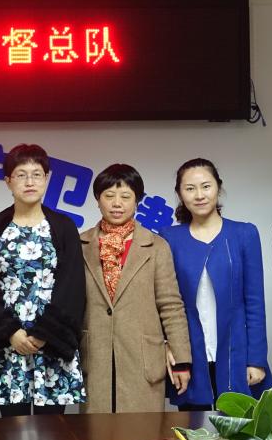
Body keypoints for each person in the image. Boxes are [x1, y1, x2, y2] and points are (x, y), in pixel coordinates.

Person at [0, 144, 86, 416]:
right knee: (12, 432)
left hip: (51, 345)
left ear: (47, 179)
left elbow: (72, 287)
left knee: (54, 433)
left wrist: (44, 334)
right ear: (8, 181)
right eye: (21, 175)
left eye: (37, 174)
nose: (29, 182)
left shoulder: (63, 227)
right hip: (9, 345)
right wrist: (10, 332)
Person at [160, 158, 272, 411]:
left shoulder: (244, 234)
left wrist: (256, 359)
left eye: (206, 186)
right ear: (180, 194)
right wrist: (170, 348)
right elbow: (164, 302)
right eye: (190, 188)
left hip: (236, 351)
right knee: (192, 429)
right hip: (190, 354)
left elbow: (255, 302)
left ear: (218, 188)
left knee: (240, 429)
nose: (199, 195)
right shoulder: (169, 238)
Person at [79, 163, 191, 413]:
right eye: (109, 195)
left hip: (142, 359)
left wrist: (181, 360)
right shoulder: (80, 244)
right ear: (97, 199)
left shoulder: (156, 246)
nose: (117, 203)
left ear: (137, 200)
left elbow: (171, 305)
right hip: (95, 357)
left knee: (142, 433)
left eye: (125, 196)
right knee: (94, 434)